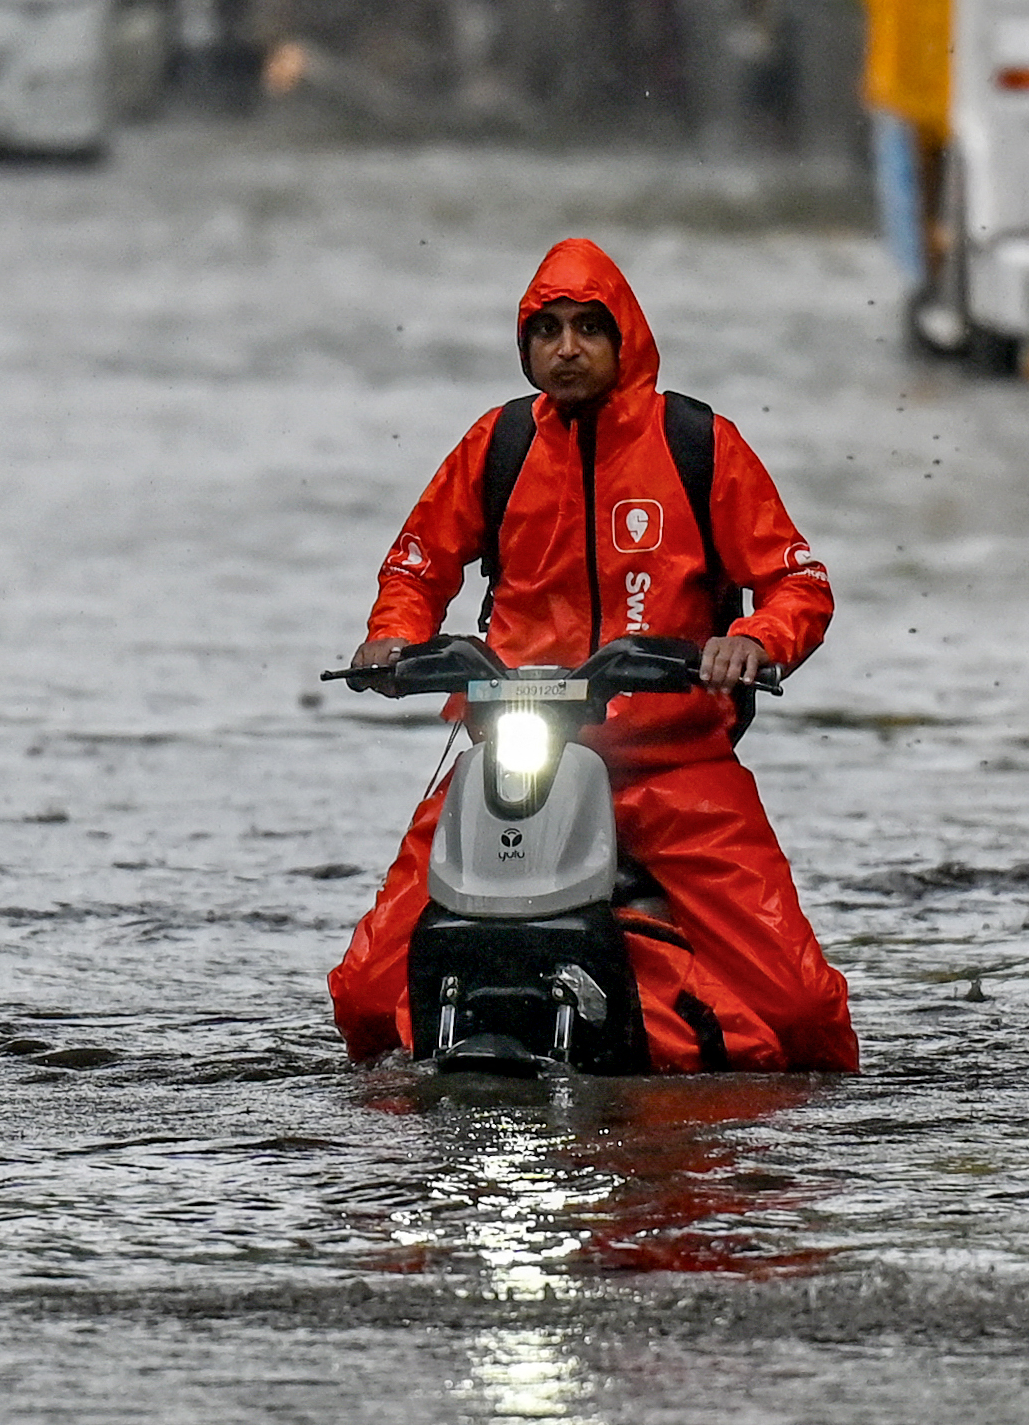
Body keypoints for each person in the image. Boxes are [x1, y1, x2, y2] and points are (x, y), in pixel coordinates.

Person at [330, 238, 857, 1074]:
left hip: (673, 767)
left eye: (586, 328)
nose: (566, 348)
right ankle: (404, 1134)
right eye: (547, 330)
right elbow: (418, 561)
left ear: (625, 341)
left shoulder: (697, 443)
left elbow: (800, 584)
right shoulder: (497, 443)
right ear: (525, 346)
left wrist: (749, 641)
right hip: (512, 761)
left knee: (802, 1011)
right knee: (363, 995)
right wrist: (393, 634)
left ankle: (796, 1151)